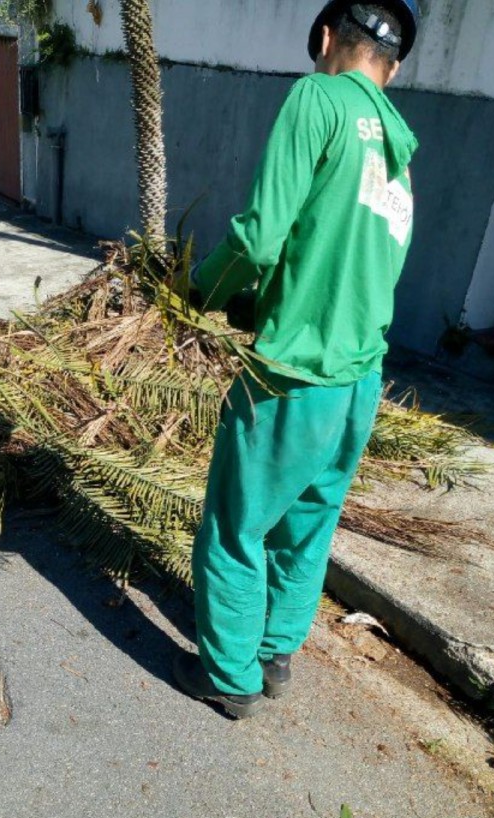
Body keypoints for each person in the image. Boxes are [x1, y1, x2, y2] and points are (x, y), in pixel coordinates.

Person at [175, 0, 421, 718]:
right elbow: (355, 254)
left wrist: (202, 291)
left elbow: (257, 239)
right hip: (359, 379)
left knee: (235, 524)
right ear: (394, 68)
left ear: (323, 38)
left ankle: (229, 676)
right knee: (309, 521)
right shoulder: (399, 148)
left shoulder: (317, 97)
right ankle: (277, 651)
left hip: (294, 374)